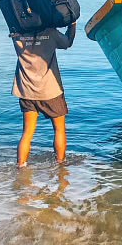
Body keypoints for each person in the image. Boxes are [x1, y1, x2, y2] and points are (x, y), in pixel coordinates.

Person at [11, 23, 76, 166]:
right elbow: (68, 43)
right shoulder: (51, 33)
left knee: (27, 133)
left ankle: (21, 166)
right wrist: (72, 25)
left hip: (27, 91)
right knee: (59, 130)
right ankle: (60, 165)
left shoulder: (17, 35)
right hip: (50, 90)